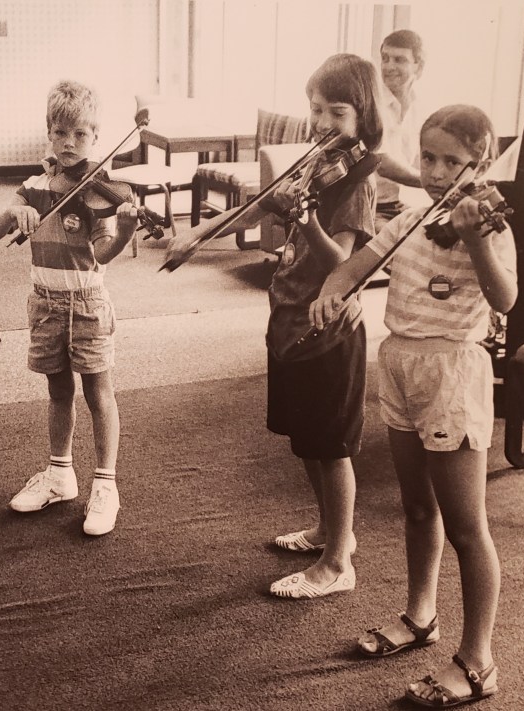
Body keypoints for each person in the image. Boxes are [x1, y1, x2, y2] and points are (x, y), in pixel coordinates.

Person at [310, 105, 517, 707]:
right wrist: (331, 290)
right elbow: (356, 264)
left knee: (467, 528)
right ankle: (420, 616)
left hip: (451, 373)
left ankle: (478, 660)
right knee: (418, 508)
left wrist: (475, 237)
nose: (436, 171)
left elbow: (505, 298)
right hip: (400, 364)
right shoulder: (410, 216)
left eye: (453, 161)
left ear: (480, 165)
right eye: (428, 157)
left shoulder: (490, 225)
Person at [165, 54, 383, 599]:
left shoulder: (357, 181)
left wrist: (305, 220)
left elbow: (344, 264)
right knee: (306, 440)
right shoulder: (314, 162)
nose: (322, 122)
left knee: (331, 447)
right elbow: (255, 207)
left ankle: (339, 563)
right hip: (288, 317)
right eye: (315, 108)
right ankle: (329, 531)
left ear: (364, 115)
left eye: (337, 112)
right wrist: (197, 236)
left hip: (328, 328)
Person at [0, 79, 138, 536]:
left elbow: (103, 252)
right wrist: (14, 212)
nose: (69, 143)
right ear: (49, 132)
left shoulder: (98, 191)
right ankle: (60, 474)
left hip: (87, 303)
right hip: (45, 305)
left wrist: (126, 231)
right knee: (58, 391)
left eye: (80, 135)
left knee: (98, 393)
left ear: (95, 137)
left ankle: (106, 485)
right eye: (60, 133)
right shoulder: (35, 186)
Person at [375, 29, 427, 233]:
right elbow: (382, 164)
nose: (389, 67)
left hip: (402, 206)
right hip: (372, 208)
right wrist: (430, 182)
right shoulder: (372, 103)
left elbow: (423, 161)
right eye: (385, 58)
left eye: (399, 60)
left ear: (418, 66)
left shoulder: (421, 108)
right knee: (405, 241)